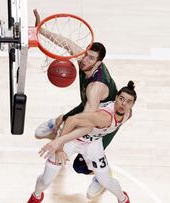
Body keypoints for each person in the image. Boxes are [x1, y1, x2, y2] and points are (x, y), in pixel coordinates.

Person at [33, 9, 120, 199]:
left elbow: (86, 123)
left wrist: (61, 143)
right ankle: (55, 125)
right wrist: (41, 30)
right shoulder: (84, 60)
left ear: (98, 63)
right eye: (86, 55)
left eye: (91, 58)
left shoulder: (96, 87)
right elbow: (63, 42)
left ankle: (100, 176)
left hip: (103, 120)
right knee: (66, 120)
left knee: (80, 166)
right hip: (90, 105)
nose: (85, 60)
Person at [27, 81, 137, 203]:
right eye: (121, 99)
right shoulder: (104, 117)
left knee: (105, 180)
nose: (123, 104)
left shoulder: (128, 114)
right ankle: (36, 196)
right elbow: (72, 120)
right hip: (71, 139)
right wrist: (59, 147)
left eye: (128, 101)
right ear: (116, 98)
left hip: (93, 143)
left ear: (132, 105)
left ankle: (124, 199)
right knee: (46, 180)